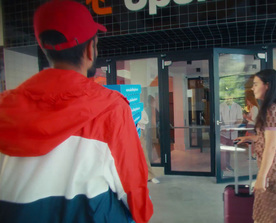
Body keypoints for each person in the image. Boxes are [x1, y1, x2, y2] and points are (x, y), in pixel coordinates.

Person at [0, 1, 153, 223]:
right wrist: (142, 214)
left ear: (45, 48)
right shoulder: (110, 108)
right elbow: (132, 187)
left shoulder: (4, 107)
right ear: (91, 49)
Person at [235, 69, 276, 223]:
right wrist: (252, 138)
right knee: (266, 216)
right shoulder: (274, 107)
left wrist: (261, 177)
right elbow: (272, 138)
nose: (253, 88)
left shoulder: (272, 109)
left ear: (268, 85)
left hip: (274, 171)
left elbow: (271, 147)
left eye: (256, 84)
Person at [220, 97, 243, 171]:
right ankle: (222, 167)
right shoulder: (220, 106)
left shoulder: (237, 107)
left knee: (229, 150)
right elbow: (218, 119)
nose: (229, 99)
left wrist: (234, 126)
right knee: (223, 150)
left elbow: (240, 119)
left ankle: (227, 165)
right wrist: (221, 127)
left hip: (232, 133)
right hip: (222, 132)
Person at [138, 109, 160, 184]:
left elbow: (145, 120)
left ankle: (150, 176)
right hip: (125, 132)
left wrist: (136, 120)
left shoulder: (138, 107)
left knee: (144, 155)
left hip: (138, 132)